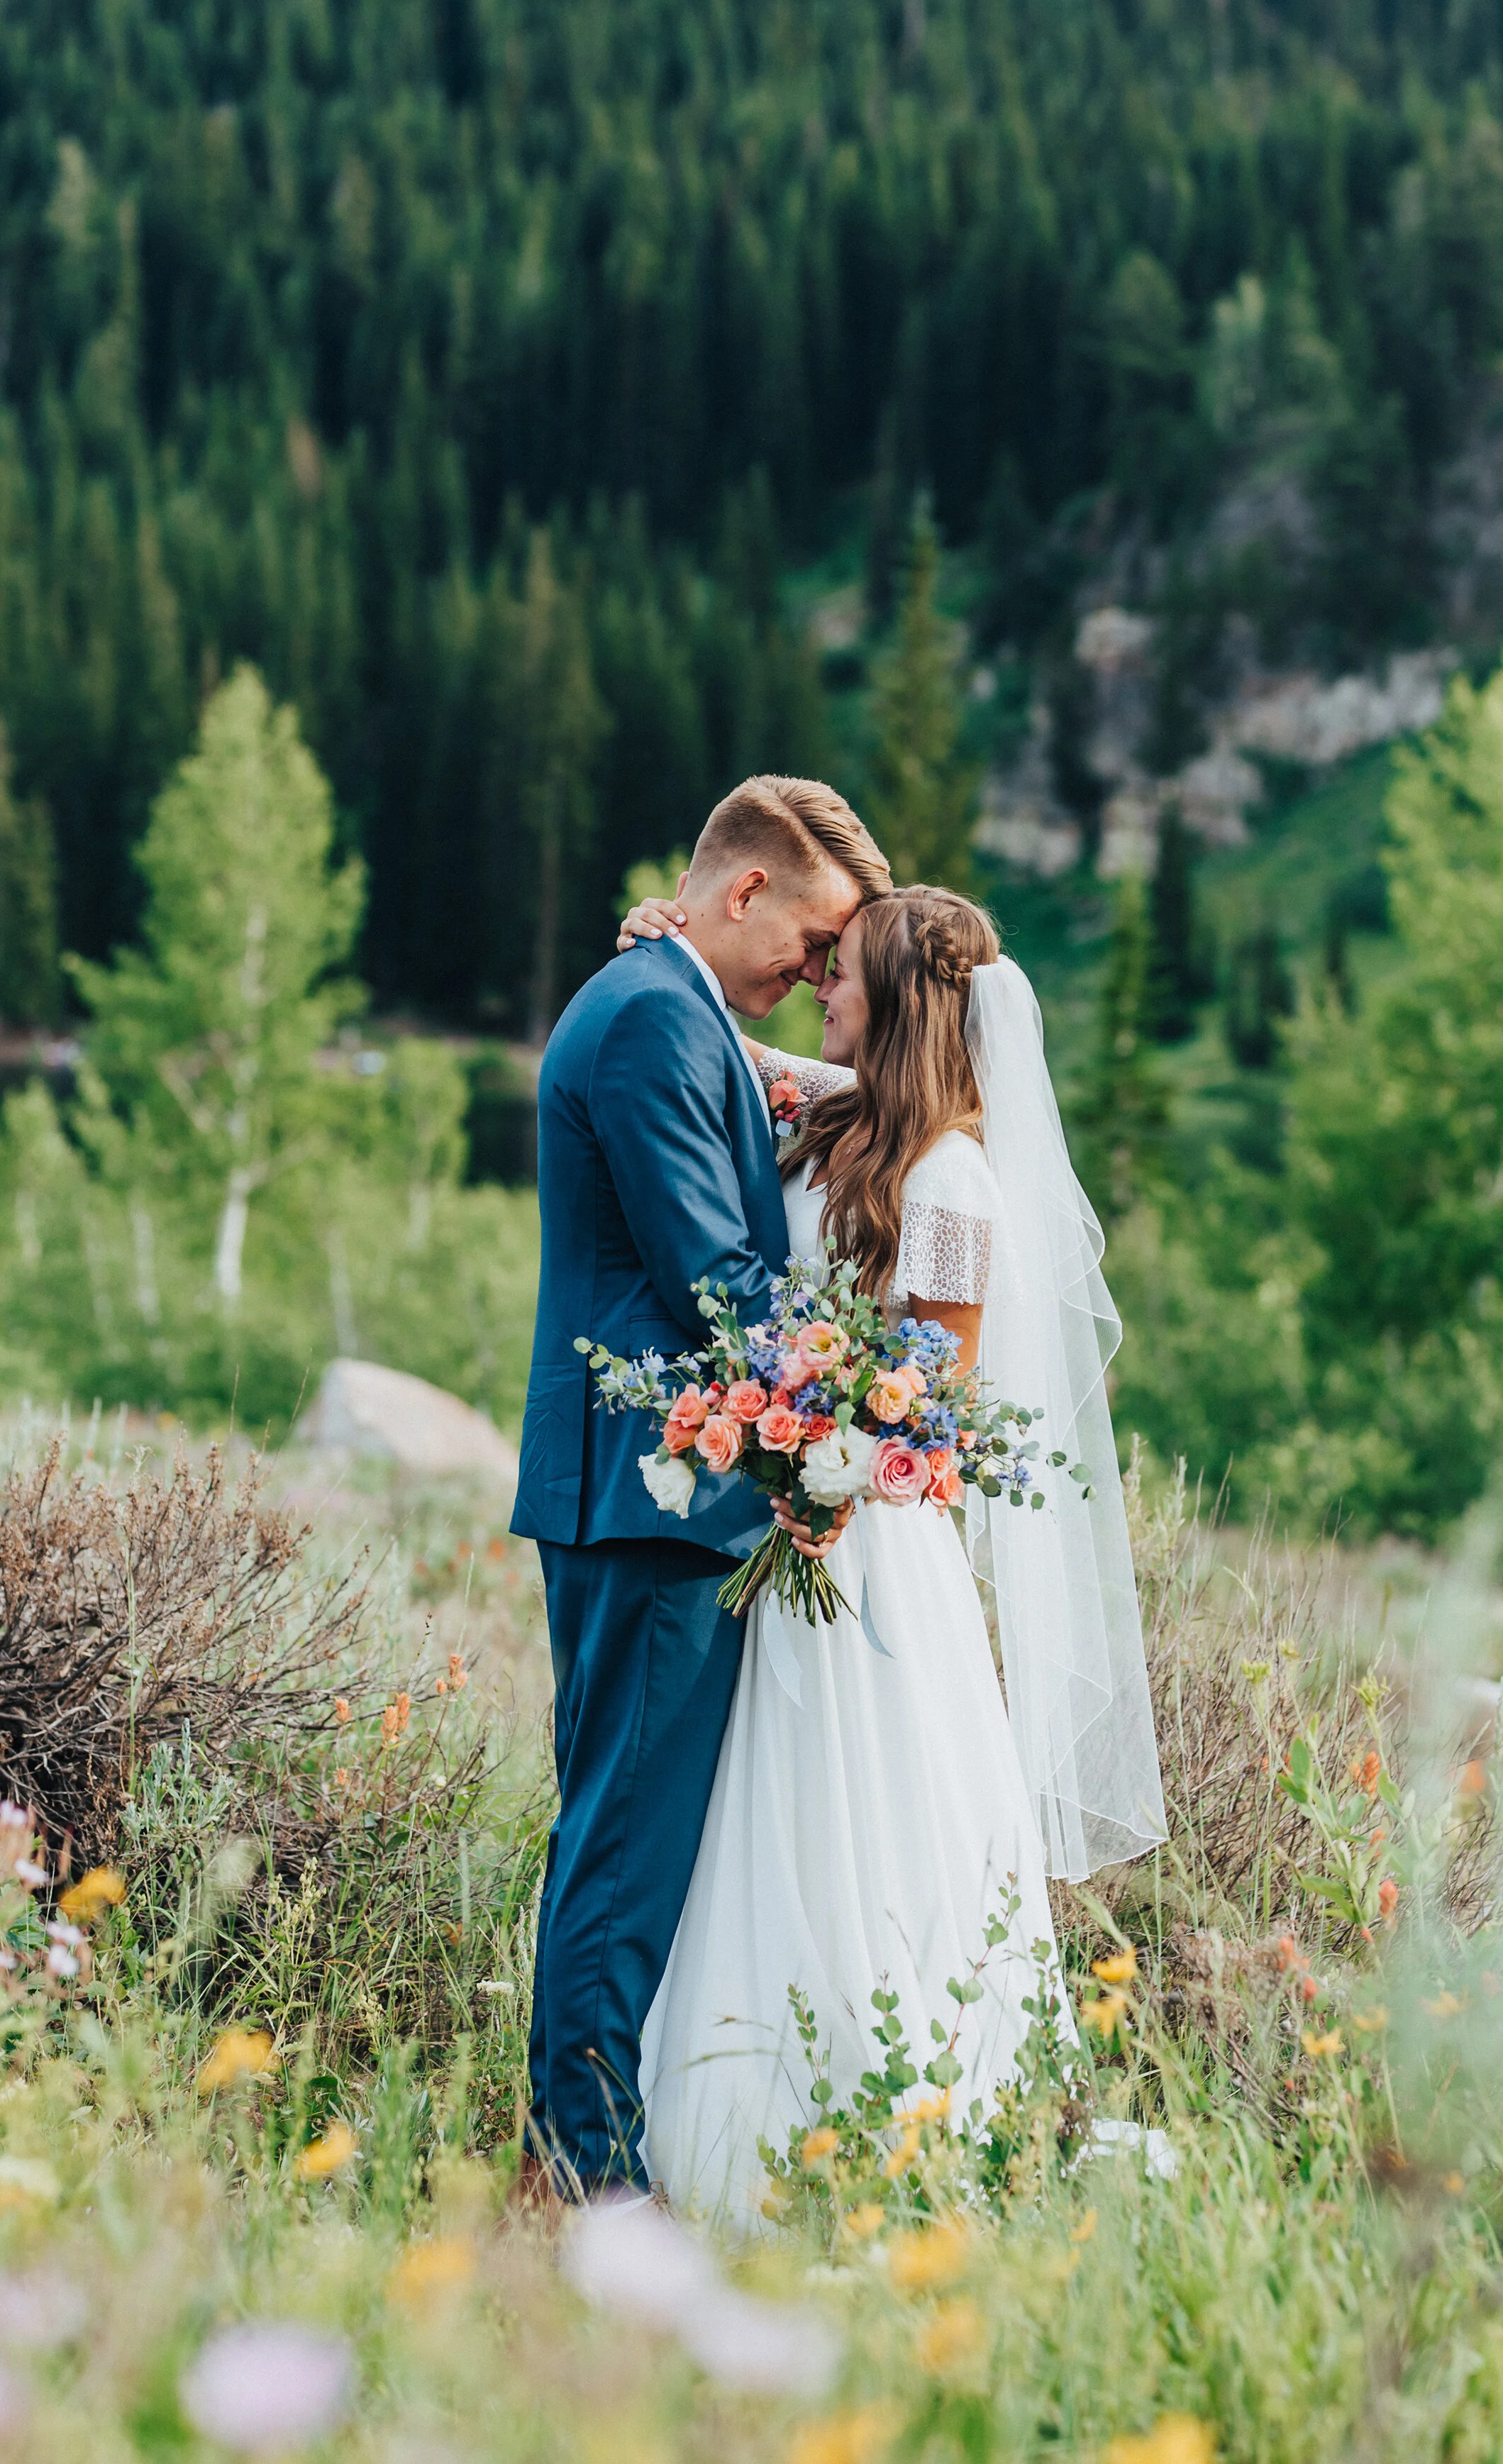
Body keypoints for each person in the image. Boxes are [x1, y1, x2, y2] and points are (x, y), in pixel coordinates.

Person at [614, 880, 1168, 2225]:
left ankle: (896, 2128)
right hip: (798, 1527)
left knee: (869, 1822)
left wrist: (829, 1471)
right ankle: (744, 2117)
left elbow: (933, 1407)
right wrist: (668, 945)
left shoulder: (956, 1181)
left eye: (844, 974)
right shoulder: (846, 1116)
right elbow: (751, 1056)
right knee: (771, 1822)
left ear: (905, 1004)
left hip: (874, 1560)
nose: (823, 990)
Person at [511, 775, 892, 2203]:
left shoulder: (671, 1007)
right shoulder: (655, 1019)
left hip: (654, 1491)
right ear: (744, 894)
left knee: (623, 1838)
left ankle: (583, 2162)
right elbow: (721, 1290)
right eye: (812, 939)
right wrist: (880, 1397)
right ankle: (585, 2184)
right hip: (652, 1494)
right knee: (621, 1851)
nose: (818, 973)